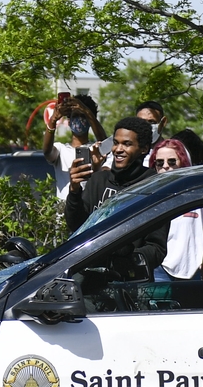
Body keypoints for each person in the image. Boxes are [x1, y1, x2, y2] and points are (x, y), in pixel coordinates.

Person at [66, 116, 167, 275]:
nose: (118, 149)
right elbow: (76, 225)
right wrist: (74, 191)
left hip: (130, 285)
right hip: (89, 279)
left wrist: (123, 261)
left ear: (144, 148)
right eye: (116, 142)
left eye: (127, 144)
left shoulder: (154, 186)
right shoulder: (98, 180)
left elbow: (157, 249)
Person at [149, 139, 203, 281]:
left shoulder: (196, 193)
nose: (166, 166)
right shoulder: (149, 197)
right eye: (160, 163)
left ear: (182, 162)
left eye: (172, 162)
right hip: (160, 268)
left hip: (193, 268)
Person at [43, 94, 109, 199]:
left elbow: (106, 145)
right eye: (75, 116)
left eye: (83, 116)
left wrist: (87, 111)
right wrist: (53, 120)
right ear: (69, 121)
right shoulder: (61, 150)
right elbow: (47, 151)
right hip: (63, 212)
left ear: (90, 120)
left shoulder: (96, 149)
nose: (79, 120)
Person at [136, 100, 168, 165]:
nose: (146, 126)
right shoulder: (129, 152)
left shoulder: (173, 151)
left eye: (151, 122)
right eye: (142, 122)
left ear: (163, 122)